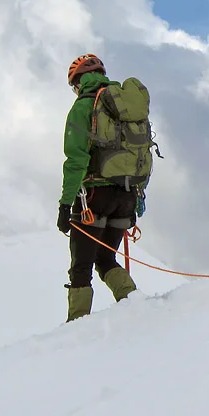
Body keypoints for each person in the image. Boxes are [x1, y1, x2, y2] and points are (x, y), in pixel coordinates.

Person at [57, 54, 142, 321]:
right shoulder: (126, 107)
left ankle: (76, 325)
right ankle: (138, 306)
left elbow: (76, 161)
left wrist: (65, 204)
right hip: (126, 196)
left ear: (78, 82)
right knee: (105, 259)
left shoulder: (84, 107)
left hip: (94, 197)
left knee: (81, 267)